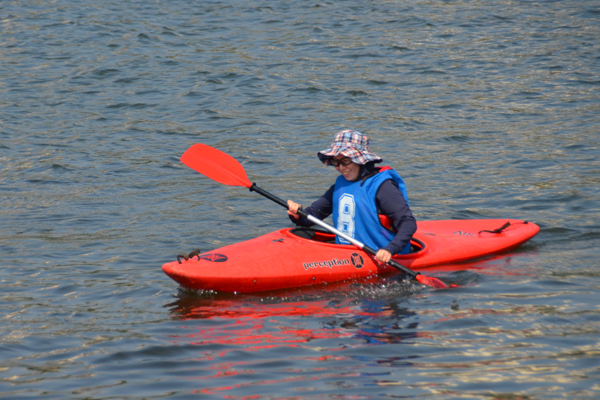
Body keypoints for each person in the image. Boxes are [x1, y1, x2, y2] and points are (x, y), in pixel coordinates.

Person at [287, 129, 417, 264]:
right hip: (344, 257)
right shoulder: (340, 185)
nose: (341, 168)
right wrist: (297, 214)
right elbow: (311, 217)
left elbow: (408, 222)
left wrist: (390, 249)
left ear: (361, 161)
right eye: (335, 162)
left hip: (380, 258)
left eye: (345, 161)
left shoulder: (383, 186)